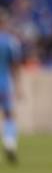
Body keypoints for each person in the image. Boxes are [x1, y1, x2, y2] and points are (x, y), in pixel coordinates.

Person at [0, 10, 22, 164]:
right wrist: (18, 86)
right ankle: (10, 143)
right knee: (9, 114)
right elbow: (15, 65)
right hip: (4, 82)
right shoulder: (10, 41)